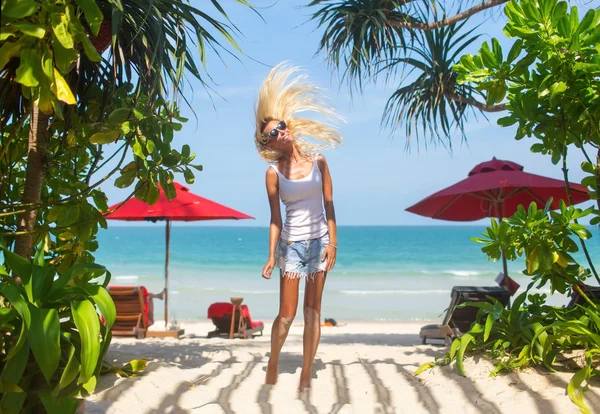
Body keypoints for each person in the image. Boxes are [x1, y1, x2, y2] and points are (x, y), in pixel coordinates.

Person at [254, 63, 343, 393]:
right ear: (269, 144)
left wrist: (333, 244)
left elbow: (330, 205)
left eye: (280, 126)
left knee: (312, 312)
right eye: (271, 134)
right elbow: (275, 218)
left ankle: (306, 371)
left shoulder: (319, 160)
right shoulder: (272, 174)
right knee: (287, 314)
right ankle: (274, 358)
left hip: (319, 242)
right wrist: (270, 255)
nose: (279, 132)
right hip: (290, 247)